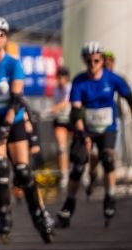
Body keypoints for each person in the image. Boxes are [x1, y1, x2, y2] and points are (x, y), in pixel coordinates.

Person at [0, 16, 54, 244]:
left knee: (23, 171)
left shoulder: (13, 65)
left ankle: (39, 213)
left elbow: (16, 100)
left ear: (5, 38)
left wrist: (6, 126)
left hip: (13, 121)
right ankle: (4, 214)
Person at [56, 42, 132, 229]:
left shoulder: (113, 79)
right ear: (84, 61)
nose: (93, 64)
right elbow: (75, 112)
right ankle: (69, 205)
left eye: (96, 60)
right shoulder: (80, 81)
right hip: (86, 128)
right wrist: (83, 134)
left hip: (107, 128)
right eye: (89, 61)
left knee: (107, 159)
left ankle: (110, 198)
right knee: (78, 164)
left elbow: (129, 97)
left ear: (102, 60)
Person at [49, 66, 73, 189]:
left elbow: (66, 102)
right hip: (60, 120)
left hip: (71, 119)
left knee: (76, 147)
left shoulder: (70, 87)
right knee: (62, 148)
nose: (60, 80)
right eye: (58, 77)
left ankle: (79, 172)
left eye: (62, 77)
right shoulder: (56, 89)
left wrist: (52, 109)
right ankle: (64, 175)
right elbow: (56, 103)